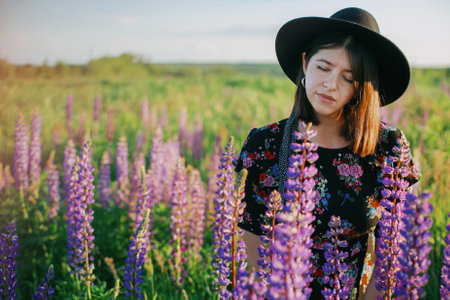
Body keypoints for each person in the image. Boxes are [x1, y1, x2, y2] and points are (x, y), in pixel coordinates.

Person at [234, 7, 421, 299]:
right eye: (323, 67)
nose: (331, 84)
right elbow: (252, 241)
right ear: (306, 63)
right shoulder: (265, 143)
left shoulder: (389, 145)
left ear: (362, 86)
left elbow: (393, 245)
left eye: (349, 77)